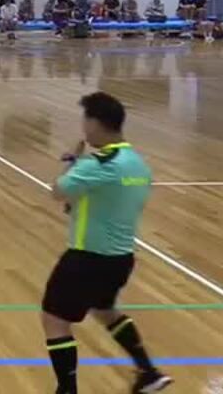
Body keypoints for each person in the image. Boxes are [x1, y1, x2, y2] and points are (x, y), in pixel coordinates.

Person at [43, 93, 171, 394]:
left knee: (54, 320)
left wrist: (71, 163)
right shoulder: (138, 164)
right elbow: (108, 199)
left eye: (85, 121)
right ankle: (148, 372)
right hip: (121, 258)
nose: (84, 129)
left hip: (87, 258)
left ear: (97, 123)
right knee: (105, 312)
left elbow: (59, 192)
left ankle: (67, 389)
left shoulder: (98, 163)